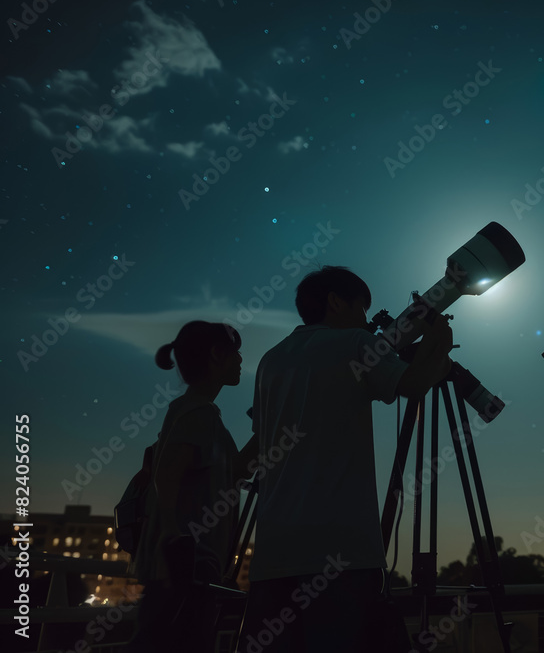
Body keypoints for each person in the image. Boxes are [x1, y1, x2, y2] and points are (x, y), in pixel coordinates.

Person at [240, 265, 453, 652]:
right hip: (341, 556)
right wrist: (439, 337)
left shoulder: (271, 360)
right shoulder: (355, 342)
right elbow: (414, 384)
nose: (368, 321)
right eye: (362, 309)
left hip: (273, 557)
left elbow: (257, 443)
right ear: (336, 302)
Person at [129, 321, 256, 653]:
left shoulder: (199, 414)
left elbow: (236, 471)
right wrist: (173, 545)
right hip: (182, 571)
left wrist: (270, 428)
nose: (242, 359)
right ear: (216, 355)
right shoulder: (197, 415)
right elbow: (167, 478)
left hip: (190, 569)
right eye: (236, 353)